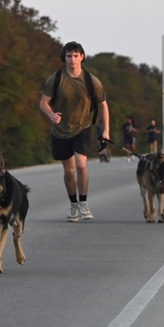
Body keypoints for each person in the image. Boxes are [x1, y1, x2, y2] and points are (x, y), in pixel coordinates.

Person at [38, 41, 110, 223]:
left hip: (83, 127)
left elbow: (103, 104)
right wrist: (51, 115)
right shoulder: (55, 79)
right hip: (61, 130)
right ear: (64, 58)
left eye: (76, 56)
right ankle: (73, 205)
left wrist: (105, 130)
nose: (72, 59)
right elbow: (43, 103)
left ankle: (84, 203)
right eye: (69, 56)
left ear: (82, 57)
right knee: (69, 171)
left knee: (81, 165)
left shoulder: (91, 80)